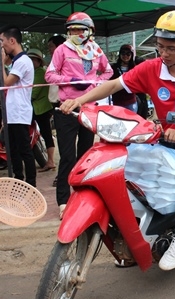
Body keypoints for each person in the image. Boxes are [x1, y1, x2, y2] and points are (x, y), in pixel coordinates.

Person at [59, 10, 175, 271]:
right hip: (163, 135)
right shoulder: (151, 68)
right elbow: (112, 86)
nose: (163, 54)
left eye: (171, 48)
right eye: (159, 47)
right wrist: (80, 100)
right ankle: (140, 233)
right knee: (132, 165)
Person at [45, 12, 113, 219]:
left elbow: (108, 72)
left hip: (89, 108)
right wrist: (70, 79)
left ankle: (82, 197)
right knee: (67, 156)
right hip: (67, 108)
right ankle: (63, 201)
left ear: (89, 31)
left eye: (80, 29)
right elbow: (49, 74)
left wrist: (94, 83)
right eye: (72, 29)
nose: (75, 33)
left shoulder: (96, 51)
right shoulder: (62, 50)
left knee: (85, 154)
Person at [0, 24, 37, 187]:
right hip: (13, 112)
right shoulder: (16, 61)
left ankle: (30, 183)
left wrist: (1, 62)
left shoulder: (23, 61)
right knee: (12, 150)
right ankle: (18, 180)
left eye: (2, 41)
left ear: (12, 40)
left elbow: (6, 82)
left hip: (20, 113)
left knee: (24, 150)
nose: (2, 45)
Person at [27, 48, 56, 172]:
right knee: (46, 133)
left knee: (46, 133)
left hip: (41, 108)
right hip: (39, 108)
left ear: (39, 61)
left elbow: (33, 93)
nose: (32, 62)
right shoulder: (34, 72)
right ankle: (50, 161)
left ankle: (50, 161)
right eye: (30, 59)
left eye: (34, 59)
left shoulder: (39, 73)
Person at [47, 34, 66, 187]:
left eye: (51, 47)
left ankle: (63, 176)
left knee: (67, 146)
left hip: (66, 104)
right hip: (57, 105)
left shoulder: (65, 62)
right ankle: (62, 175)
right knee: (64, 144)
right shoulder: (55, 63)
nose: (49, 51)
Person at [110, 44, 139, 112]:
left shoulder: (135, 68)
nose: (125, 56)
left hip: (130, 101)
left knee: (132, 121)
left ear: (131, 55)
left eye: (128, 54)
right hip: (116, 101)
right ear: (120, 54)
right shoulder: (113, 68)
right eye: (123, 53)